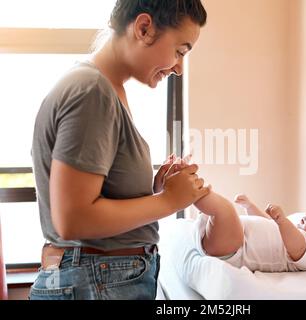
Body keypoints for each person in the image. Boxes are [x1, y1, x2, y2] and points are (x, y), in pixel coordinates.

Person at [30, 0, 209, 300]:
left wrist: (154, 192)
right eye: (180, 51)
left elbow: (94, 201)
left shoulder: (106, 88)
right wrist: (168, 201)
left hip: (99, 278)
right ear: (143, 28)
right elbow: (72, 218)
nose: (179, 67)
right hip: (96, 280)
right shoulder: (92, 90)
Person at [193, 192, 306, 272]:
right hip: (229, 238)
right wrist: (250, 206)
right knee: (219, 213)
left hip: (234, 250)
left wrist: (282, 221)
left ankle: (190, 188)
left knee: (223, 210)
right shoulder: (292, 230)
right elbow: (266, 223)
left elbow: (297, 247)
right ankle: (185, 185)